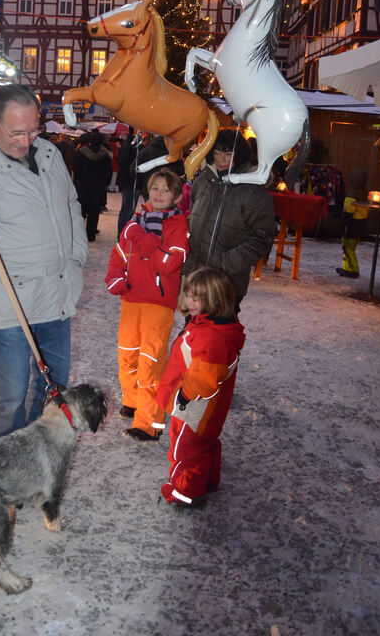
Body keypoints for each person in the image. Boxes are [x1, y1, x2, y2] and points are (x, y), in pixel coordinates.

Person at [0, 84, 88, 439]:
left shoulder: (51, 155)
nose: (27, 141)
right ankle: (8, 480)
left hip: (56, 299)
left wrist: (76, 259)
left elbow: (71, 204)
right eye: (17, 132)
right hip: (9, 308)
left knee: (52, 395)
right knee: (10, 401)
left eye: (33, 130)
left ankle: (39, 471)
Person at [105, 168, 189, 442]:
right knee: (127, 356)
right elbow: (120, 253)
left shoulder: (177, 225)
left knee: (150, 363)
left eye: (166, 190)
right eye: (155, 189)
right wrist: (115, 277)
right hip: (131, 300)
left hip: (158, 304)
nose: (159, 194)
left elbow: (170, 263)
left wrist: (145, 241)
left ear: (176, 197)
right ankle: (132, 402)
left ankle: (149, 423)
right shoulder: (137, 220)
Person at [156, 267, 245, 508]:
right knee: (205, 443)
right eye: (187, 295)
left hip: (194, 408)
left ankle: (186, 492)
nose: (188, 302)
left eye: (195, 299)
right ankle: (207, 481)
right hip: (207, 410)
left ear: (215, 301)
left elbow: (203, 379)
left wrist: (183, 397)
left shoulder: (211, 336)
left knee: (184, 450)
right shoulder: (211, 326)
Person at [184, 129, 275, 311]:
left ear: (239, 155)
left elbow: (262, 238)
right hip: (196, 277)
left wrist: (225, 263)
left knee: (218, 335)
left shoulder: (252, 190)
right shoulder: (203, 182)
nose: (221, 159)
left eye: (228, 154)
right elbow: (192, 218)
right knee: (194, 332)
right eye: (217, 153)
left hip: (226, 282)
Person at [73, 130, 113, 242]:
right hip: (98, 188)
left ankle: (79, 234)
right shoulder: (105, 155)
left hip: (83, 188)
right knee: (94, 213)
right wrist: (104, 184)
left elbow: (76, 170)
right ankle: (91, 234)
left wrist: (79, 181)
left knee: (81, 212)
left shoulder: (81, 152)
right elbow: (108, 173)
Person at [336, 169, 369, 279]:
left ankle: (351, 269)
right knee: (351, 248)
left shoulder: (352, 194)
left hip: (351, 225)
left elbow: (348, 211)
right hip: (360, 224)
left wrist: (344, 225)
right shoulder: (365, 194)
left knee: (348, 248)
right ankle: (348, 268)